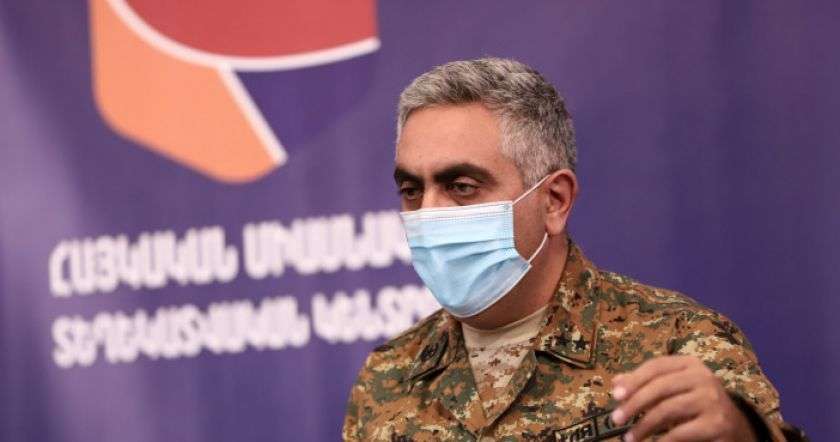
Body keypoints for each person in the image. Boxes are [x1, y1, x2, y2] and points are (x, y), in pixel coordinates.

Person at [342, 58, 805, 441]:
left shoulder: (677, 343)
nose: (428, 213)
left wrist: (746, 435)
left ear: (554, 201)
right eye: (411, 190)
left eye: (461, 186)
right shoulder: (387, 377)